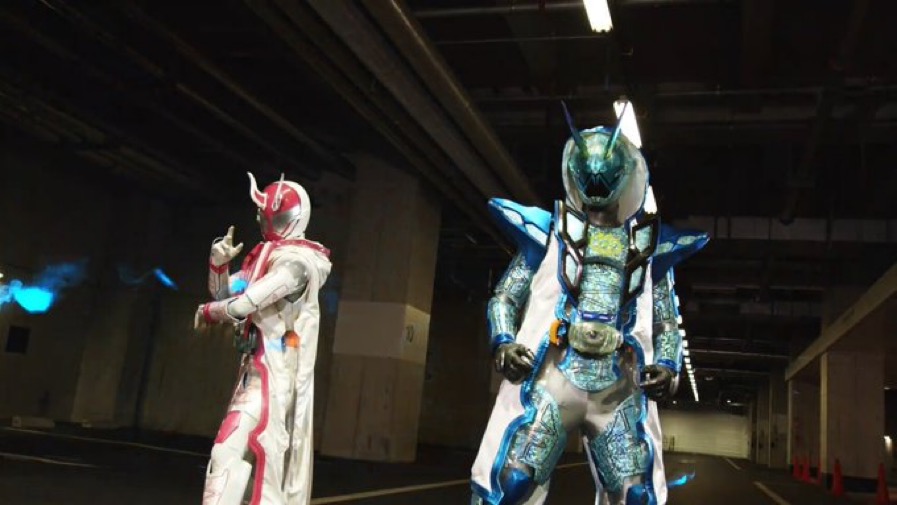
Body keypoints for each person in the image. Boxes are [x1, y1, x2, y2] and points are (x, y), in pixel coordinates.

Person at [470, 102, 708, 505]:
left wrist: (668, 365)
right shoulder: (548, 234)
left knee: (636, 497)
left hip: (618, 387)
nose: (597, 180)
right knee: (510, 484)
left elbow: (666, 320)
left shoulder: (651, 248)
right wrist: (504, 341)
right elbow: (505, 297)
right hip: (552, 379)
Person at [195, 172, 332, 505]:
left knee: (241, 455)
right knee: (241, 459)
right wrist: (218, 265)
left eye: (264, 211)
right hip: (256, 368)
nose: (259, 218)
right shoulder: (269, 257)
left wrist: (208, 313)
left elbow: (242, 304)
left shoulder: (298, 264)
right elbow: (226, 293)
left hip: (277, 374)